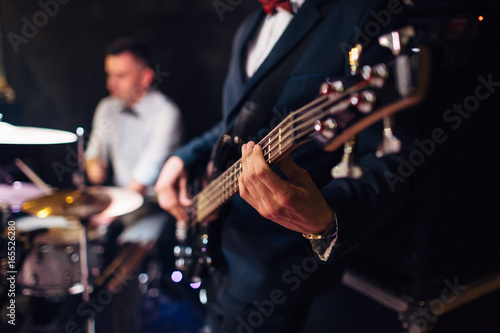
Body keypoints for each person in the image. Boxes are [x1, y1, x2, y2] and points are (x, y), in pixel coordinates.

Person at [155, 0, 416, 331]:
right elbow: (231, 126)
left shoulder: (364, 13)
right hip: (218, 254)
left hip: (276, 273)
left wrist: (325, 218)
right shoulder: (249, 26)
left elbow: (394, 163)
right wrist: (181, 157)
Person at [85, 37, 182, 333]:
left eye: (120, 75)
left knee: (121, 272)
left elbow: (141, 184)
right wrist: (93, 167)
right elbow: (94, 161)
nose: (110, 84)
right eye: (109, 74)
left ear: (146, 77)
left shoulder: (167, 114)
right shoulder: (106, 108)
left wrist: (104, 217)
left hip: (153, 206)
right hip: (115, 200)